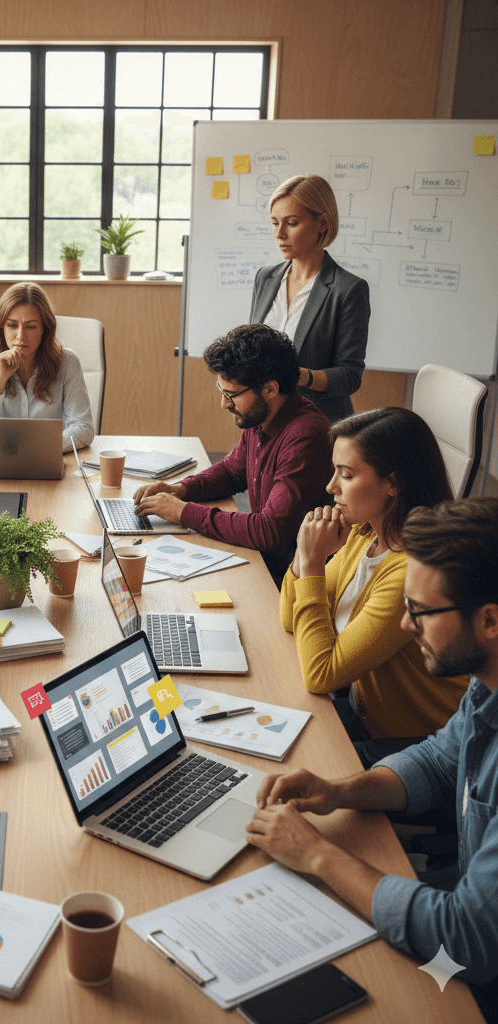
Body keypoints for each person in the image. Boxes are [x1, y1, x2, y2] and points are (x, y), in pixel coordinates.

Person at [247, 497, 498, 1024]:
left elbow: (465, 938)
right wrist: (341, 790)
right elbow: (439, 760)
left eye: (421, 611)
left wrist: (318, 854)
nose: (406, 625)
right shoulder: (486, 684)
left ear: (490, 620)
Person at [280, 407, 466, 762]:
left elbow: (321, 675)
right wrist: (304, 556)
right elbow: (292, 618)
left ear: (393, 483)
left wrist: (313, 564)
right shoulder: (364, 533)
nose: (331, 487)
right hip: (363, 713)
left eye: (346, 475)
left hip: (419, 745)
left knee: (296, 764)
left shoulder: (411, 571)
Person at [133, 323, 332, 587]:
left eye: (232, 394)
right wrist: (181, 489)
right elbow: (231, 471)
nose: (224, 404)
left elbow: (271, 532)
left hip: (289, 579)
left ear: (270, 389)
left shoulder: (306, 436)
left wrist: (183, 512)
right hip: (263, 560)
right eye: (222, 390)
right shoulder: (261, 416)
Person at [250, 174, 371, 422]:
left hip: (315, 423)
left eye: (291, 223)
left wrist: (301, 376)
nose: (280, 234)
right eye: (275, 223)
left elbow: (350, 376)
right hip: (264, 419)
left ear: (323, 223)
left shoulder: (349, 289)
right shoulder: (265, 278)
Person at [0, 282, 94, 452]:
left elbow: (83, 428)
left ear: (45, 329)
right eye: (12, 325)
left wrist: (37, 448)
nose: (20, 336)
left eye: (31, 327)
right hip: (0, 462)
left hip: (48, 458)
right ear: (1, 326)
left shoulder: (68, 362)